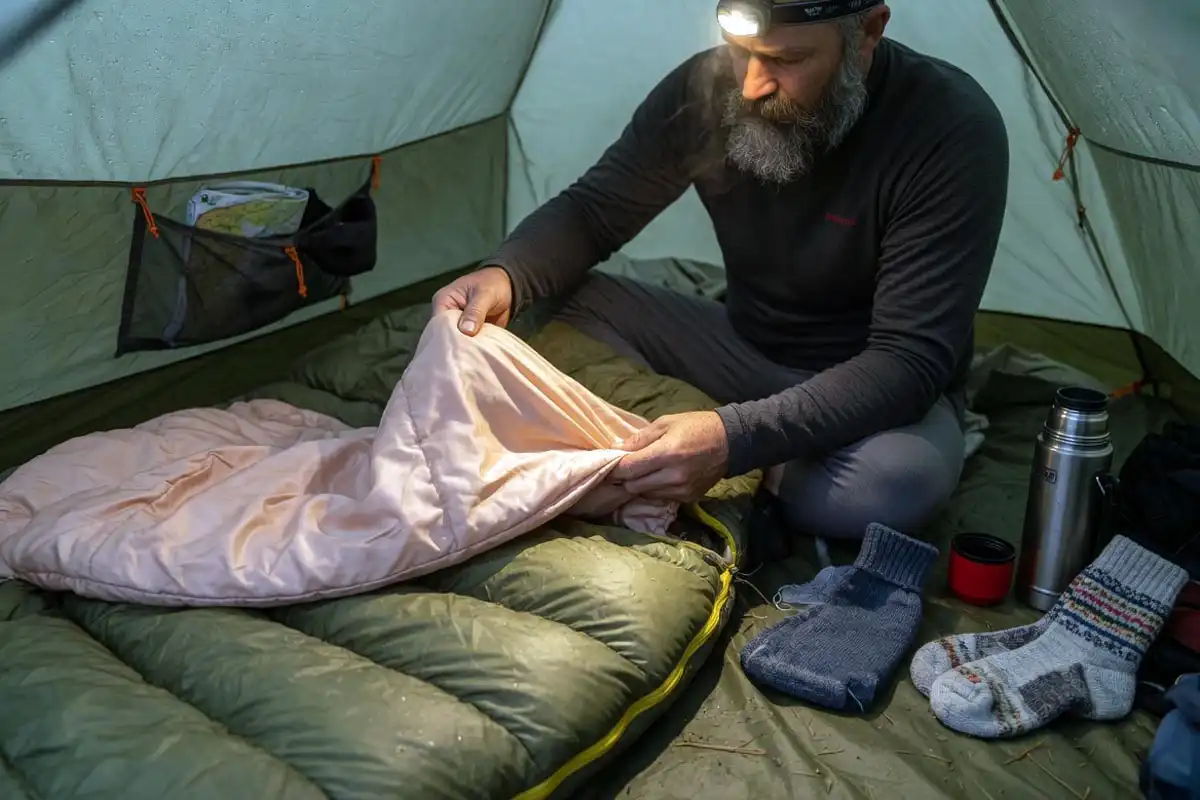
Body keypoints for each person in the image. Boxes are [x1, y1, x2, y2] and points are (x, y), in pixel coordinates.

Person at [432, 1, 1010, 541]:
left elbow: (907, 363)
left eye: (787, 60)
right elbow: (596, 211)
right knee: (549, 304)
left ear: (868, 33)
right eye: (740, 50)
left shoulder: (948, 127)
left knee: (895, 485)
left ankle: (698, 458)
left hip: (869, 389)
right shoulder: (704, 88)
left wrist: (732, 441)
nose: (753, 85)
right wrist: (505, 274)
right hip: (739, 344)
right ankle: (716, 460)